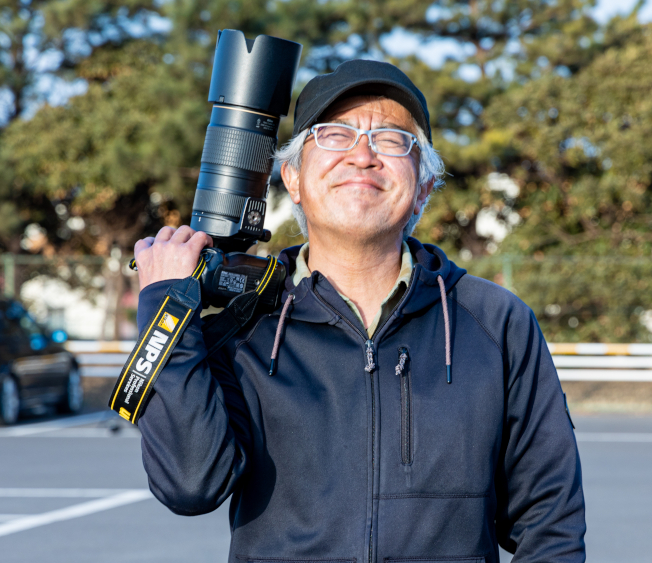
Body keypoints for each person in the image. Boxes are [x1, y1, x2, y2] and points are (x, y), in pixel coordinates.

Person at [132, 59, 586, 562]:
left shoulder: (495, 322)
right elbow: (191, 485)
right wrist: (166, 307)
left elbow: (550, 523)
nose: (363, 155)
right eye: (334, 135)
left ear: (423, 189)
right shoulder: (246, 327)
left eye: (393, 140)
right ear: (294, 178)